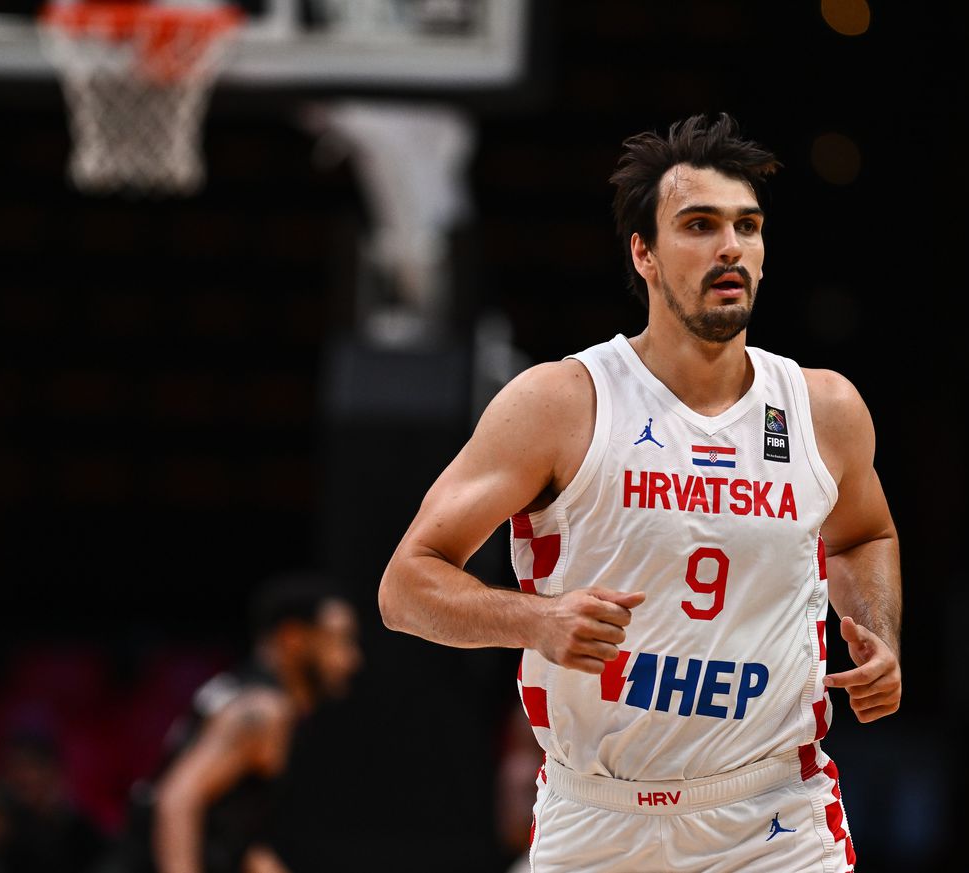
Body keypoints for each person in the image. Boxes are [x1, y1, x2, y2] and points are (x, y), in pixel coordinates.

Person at [379, 113, 902, 872]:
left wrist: (877, 631)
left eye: (747, 226)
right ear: (644, 253)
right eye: (699, 225)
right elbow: (406, 586)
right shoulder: (562, 402)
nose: (731, 247)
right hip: (598, 815)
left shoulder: (823, 410)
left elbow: (863, 535)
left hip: (771, 814)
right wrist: (539, 619)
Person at [112, 573, 362, 873]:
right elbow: (177, 801)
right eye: (340, 640)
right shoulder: (263, 710)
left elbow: (234, 841)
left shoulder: (245, 694)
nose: (351, 659)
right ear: (293, 637)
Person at [0, 730, 105, 873]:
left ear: (53, 771)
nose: (20, 777)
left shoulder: (80, 829)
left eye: (30, 767)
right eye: (14, 768)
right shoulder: (2, 829)